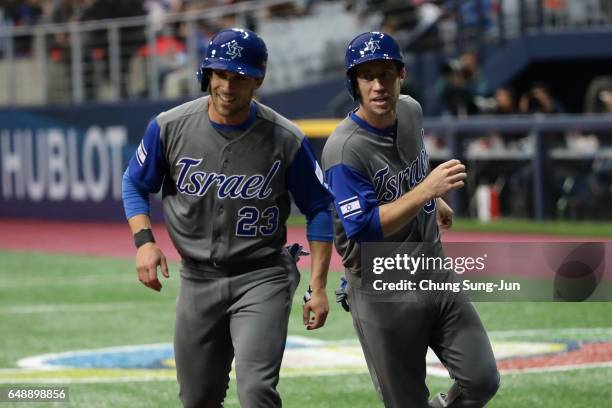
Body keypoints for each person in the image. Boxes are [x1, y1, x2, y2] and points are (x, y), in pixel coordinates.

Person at [121, 28, 334, 408]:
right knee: (198, 399)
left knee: (255, 391)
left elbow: (319, 208)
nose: (227, 87)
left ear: (258, 80)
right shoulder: (169, 127)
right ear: (207, 75)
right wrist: (144, 242)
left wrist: (317, 285)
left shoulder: (285, 137)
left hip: (262, 276)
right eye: (220, 75)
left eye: (239, 78)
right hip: (197, 278)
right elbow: (134, 184)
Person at [322, 31, 499, 407]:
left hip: (433, 269)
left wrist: (432, 201)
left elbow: (410, 171)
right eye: (366, 76)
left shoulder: (411, 109)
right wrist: (425, 193)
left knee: (482, 380)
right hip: (381, 287)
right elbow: (364, 227)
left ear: (401, 74)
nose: (378, 85)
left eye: (386, 73)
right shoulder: (343, 150)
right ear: (354, 83)